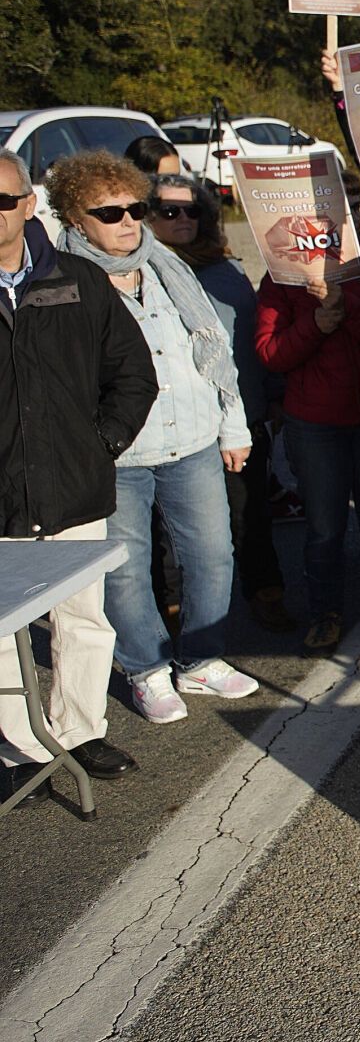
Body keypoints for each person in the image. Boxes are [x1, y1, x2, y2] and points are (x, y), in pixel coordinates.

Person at [49, 151, 260, 723]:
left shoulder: (167, 265)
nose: (127, 221)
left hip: (192, 439)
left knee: (213, 556)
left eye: (135, 208)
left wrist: (233, 425)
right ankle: (145, 668)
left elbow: (211, 348)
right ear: (75, 220)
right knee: (124, 568)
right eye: (109, 212)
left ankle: (200, 660)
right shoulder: (60, 282)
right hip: (116, 456)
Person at [0, 149, 157, 802]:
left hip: (73, 487)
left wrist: (101, 445)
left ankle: (80, 730)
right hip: (3, 498)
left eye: (3, 200)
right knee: (3, 634)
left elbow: (132, 374)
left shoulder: (78, 281)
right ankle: (21, 747)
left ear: (29, 205)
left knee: (82, 618)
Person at [254, 210, 360, 652]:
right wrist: (315, 325)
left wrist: (346, 308)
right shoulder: (282, 275)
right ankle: (325, 612)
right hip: (315, 424)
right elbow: (270, 353)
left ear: (355, 213)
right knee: (325, 527)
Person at [148, 173, 290, 633]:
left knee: (251, 516)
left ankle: (265, 592)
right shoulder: (144, 273)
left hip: (242, 418)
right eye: (170, 211)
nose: (183, 218)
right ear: (148, 217)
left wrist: (270, 396)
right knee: (175, 530)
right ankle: (174, 606)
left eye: (193, 210)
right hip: (179, 422)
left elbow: (250, 339)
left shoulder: (224, 267)